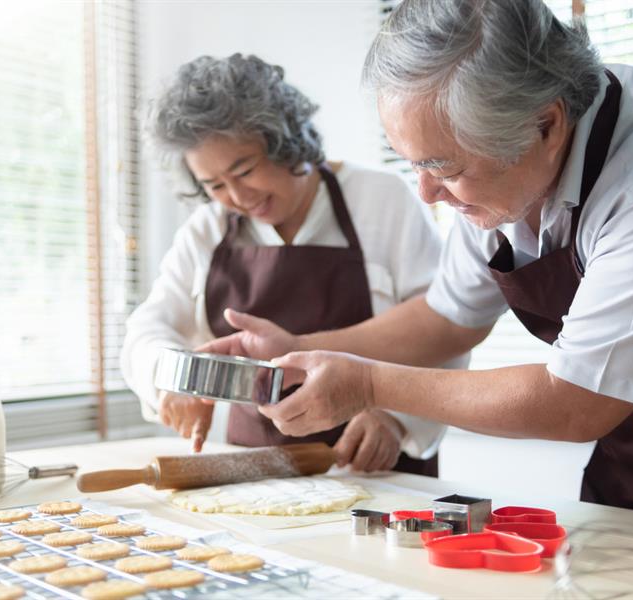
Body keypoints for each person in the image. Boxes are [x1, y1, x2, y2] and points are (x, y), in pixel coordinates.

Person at [202, 1, 633, 526]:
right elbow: (445, 319)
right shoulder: (504, 164)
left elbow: (575, 402)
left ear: (546, 125)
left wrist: (367, 386)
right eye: (413, 164)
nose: (425, 192)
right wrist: (298, 348)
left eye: (443, 167)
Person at [121, 53, 468, 476]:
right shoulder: (207, 230)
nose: (237, 196)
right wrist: (167, 377)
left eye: (244, 169)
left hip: (378, 469)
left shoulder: (383, 200)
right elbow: (147, 329)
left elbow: (448, 328)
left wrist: (397, 418)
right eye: (214, 185)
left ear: (284, 141)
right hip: (254, 472)